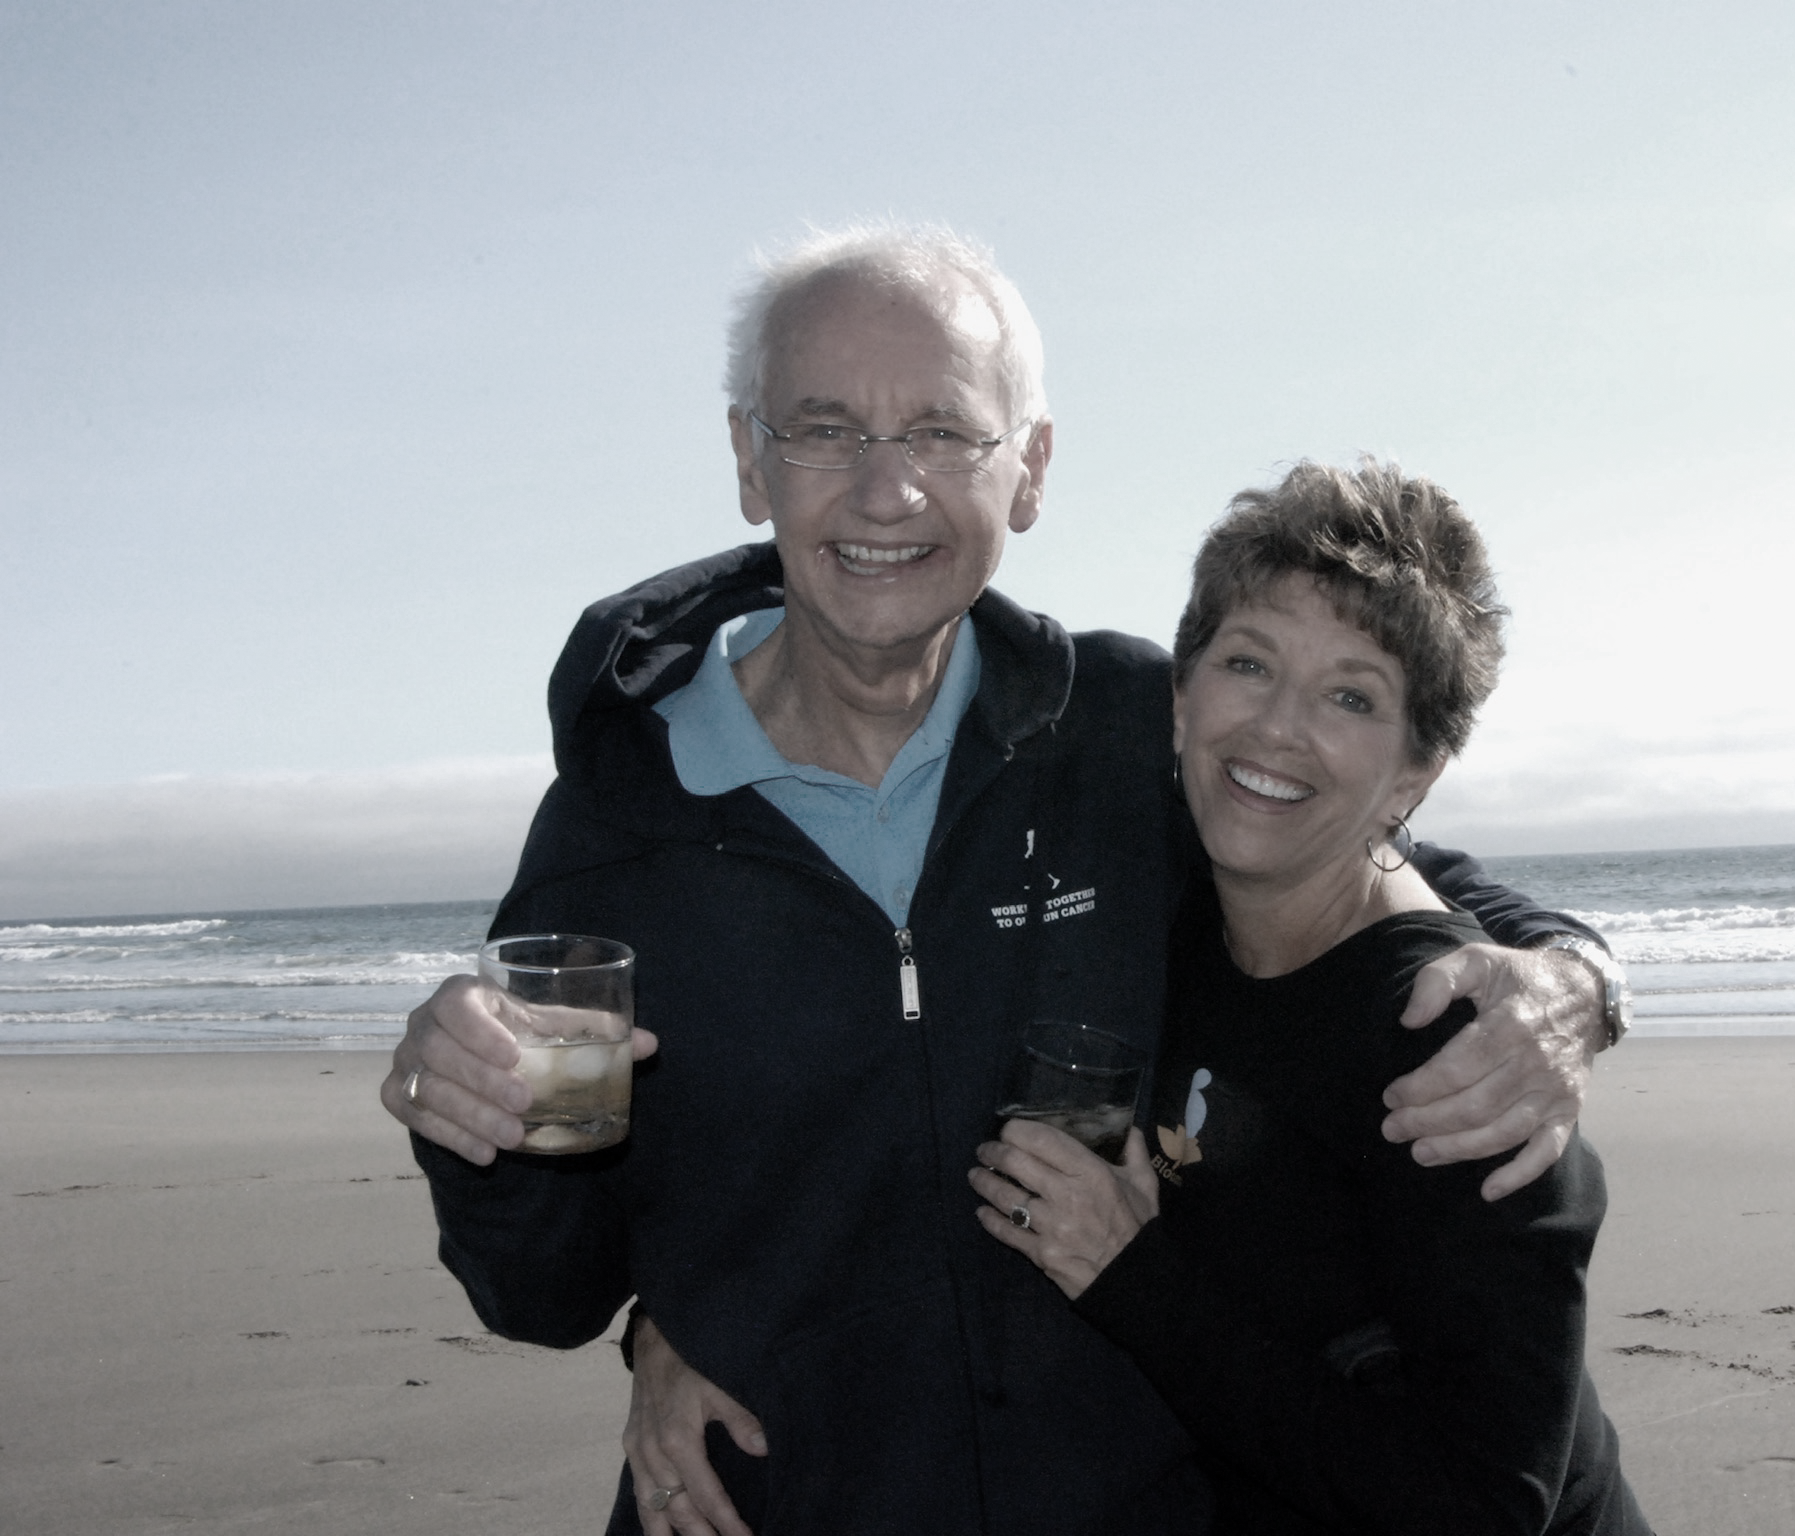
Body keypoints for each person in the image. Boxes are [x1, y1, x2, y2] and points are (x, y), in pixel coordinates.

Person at [381, 224, 1631, 1536]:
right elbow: (540, 1293)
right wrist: (485, 1138)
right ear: (751, 461)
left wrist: (1569, 976)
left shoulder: (1120, 730)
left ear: (1026, 469)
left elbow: (1359, 848)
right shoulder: (622, 823)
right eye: (824, 428)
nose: (884, 493)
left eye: (938, 432)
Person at [969, 460, 1648, 1534]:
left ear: (1417, 770)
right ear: (1181, 699)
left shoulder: (1460, 1047)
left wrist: (1132, 1276)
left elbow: (1479, 1508)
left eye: (1351, 696)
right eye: (1248, 663)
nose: (1278, 728)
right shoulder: (1171, 904)